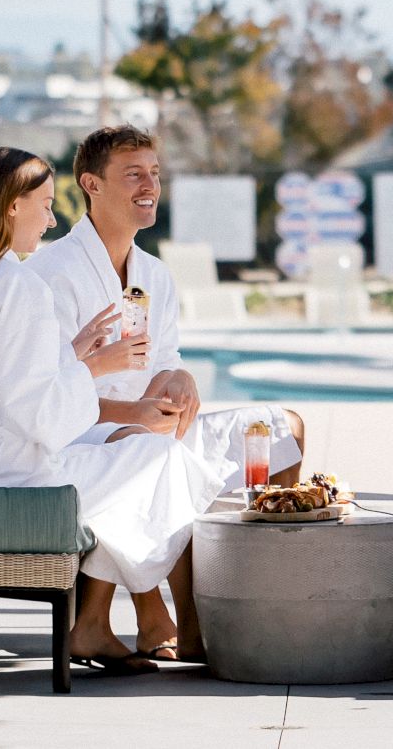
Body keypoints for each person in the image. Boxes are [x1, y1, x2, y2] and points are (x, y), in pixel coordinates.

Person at [0, 146, 222, 676]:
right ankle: (153, 616)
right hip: (14, 473)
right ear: (12, 207)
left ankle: (102, 624)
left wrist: (70, 354)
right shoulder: (20, 285)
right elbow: (38, 416)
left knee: (142, 460)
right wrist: (95, 368)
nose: (51, 218)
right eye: (42, 204)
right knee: (163, 461)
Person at [30, 124, 306, 662]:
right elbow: (44, 395)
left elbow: (165, 362)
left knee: (283, 429)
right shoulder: (50, 274)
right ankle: (179, 619)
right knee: (151, 453)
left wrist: (179, 381)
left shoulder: (155, 275)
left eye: (154, 173)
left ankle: (261, 598)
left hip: (152, 425)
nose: (148, 185)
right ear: (92, 183)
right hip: (84, 436)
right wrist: (133, 413)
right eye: (133, 173)